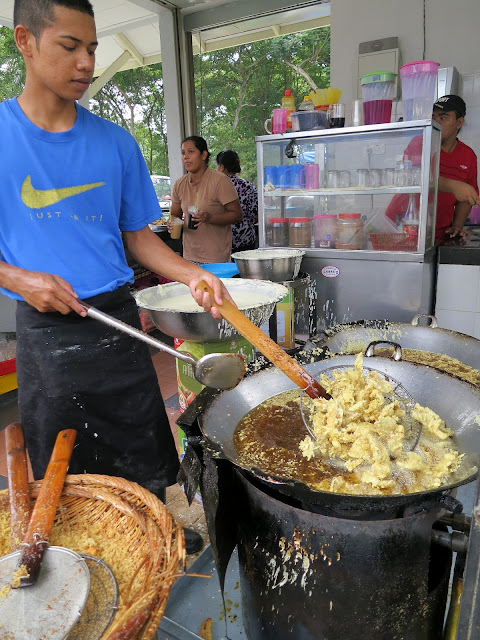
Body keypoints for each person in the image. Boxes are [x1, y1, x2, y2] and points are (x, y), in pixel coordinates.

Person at [5, 0, 231, 554]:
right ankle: (90, 563)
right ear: (25, 42)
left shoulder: (114, 143)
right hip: (46, 332)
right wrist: (18, 278)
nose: (85, 62)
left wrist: (192, 273)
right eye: (69, 46)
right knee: (68, 473)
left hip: (116, 320)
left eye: (92, 48)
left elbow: (137, 237)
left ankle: (155, 545)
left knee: (145, 453)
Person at [386, 95, 479, 243]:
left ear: (459, 122)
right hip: (401, 227)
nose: (435, 122)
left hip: (437, 234)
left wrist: (457, 225)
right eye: (433, 117)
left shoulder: (468, 156)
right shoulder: (419, 143)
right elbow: (413, 178)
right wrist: (453, 185)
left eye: (443, 118)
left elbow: (467, 196)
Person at [168, 136, 243, 264]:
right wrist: (173, 222)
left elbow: (237, 215)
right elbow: (175, 214)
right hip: (189, 255)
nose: (185, 157)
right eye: (183, 153)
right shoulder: (179, 184)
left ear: (203, 155)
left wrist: (209, 218)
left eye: (191, 152)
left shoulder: (220, 181)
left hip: (215, 258)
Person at [216, 150, 258, 252]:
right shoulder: (248, 186)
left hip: (222, 242)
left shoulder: (216, 186)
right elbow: (257, 215)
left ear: (221, 167)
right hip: (246, 241)